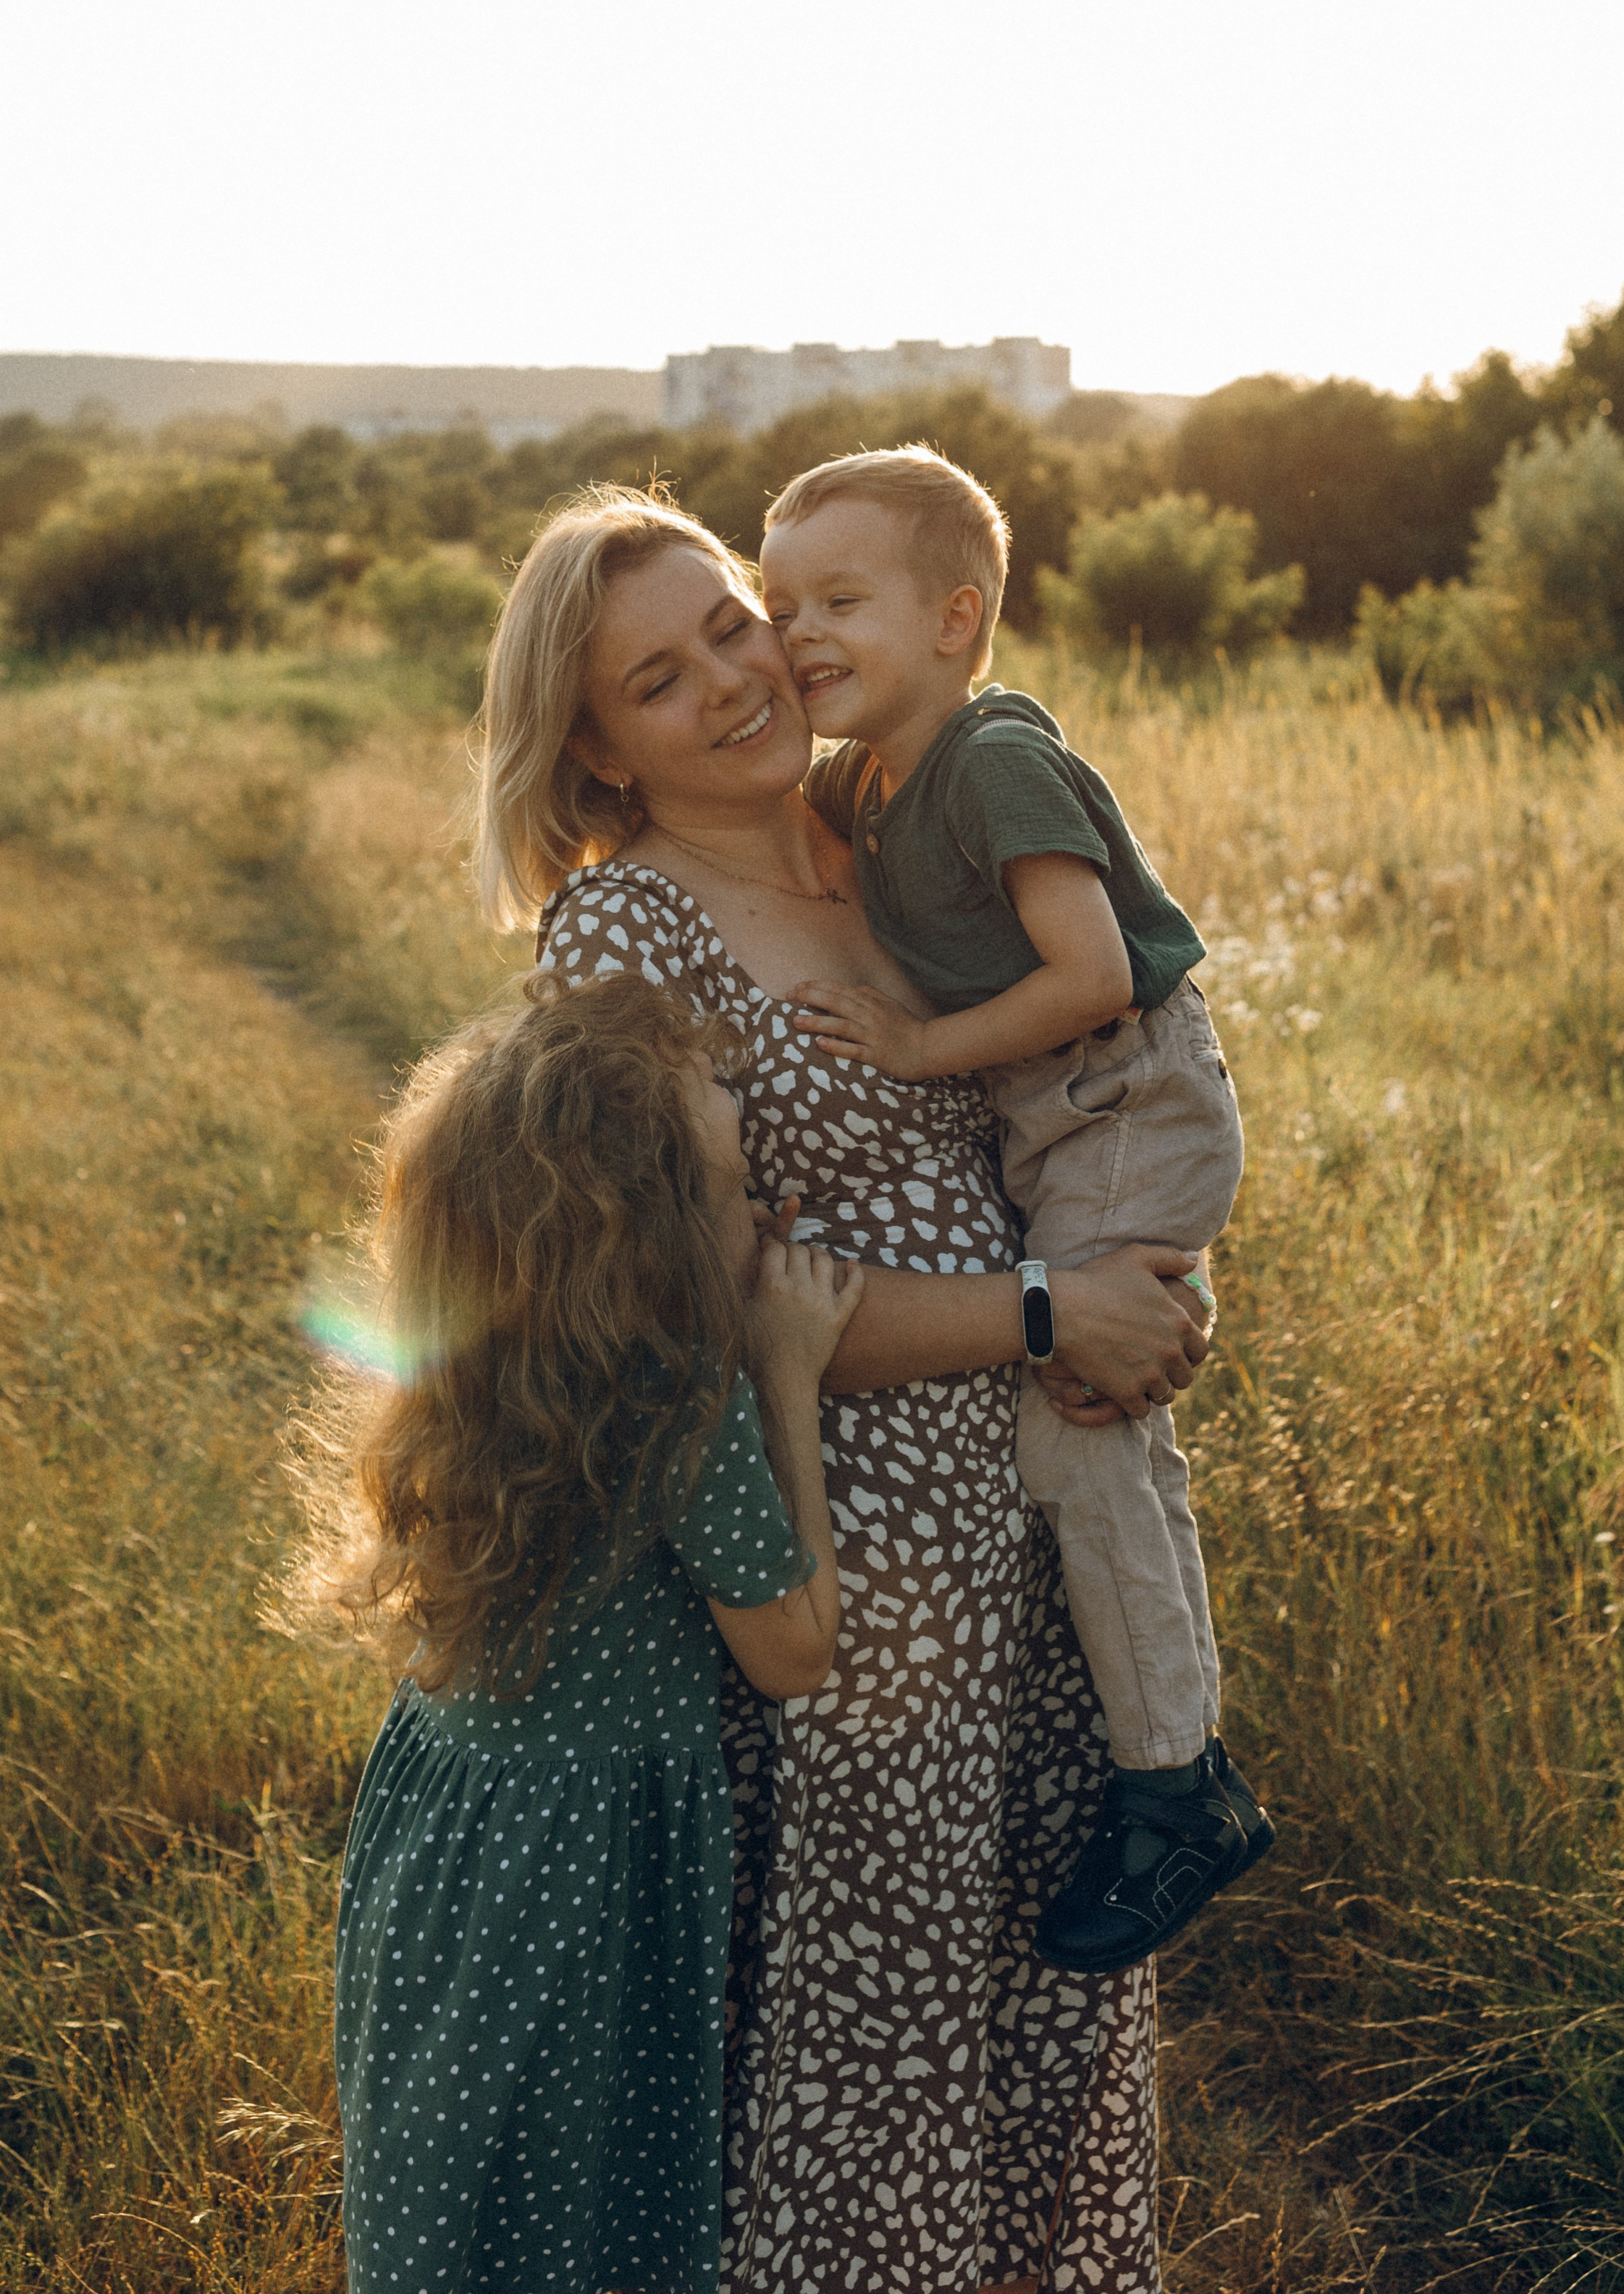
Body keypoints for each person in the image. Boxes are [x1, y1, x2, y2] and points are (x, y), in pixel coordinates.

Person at [474, 482, 1213, 2294]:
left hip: (1032, 1555)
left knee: (1036, 2034)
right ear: (592, 746)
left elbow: (1081, 1096)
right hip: (854, 1608)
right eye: (658, 679)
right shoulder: (625, 942)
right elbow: (733, 1313)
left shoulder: (901, 823)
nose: (736, 678)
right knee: (866, 2073)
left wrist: (1134, 1275)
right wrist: (1053, 1311)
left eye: (731, 621)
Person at [760, 444, 1273, 1974]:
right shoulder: (864, 779)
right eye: (776, 602)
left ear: (955, 617)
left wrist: (914, 1047)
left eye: (837, 599)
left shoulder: (989, 756)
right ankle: (1152, 1757)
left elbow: (1091, 973)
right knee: (1068, 1406)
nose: (794, 634)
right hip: (1052, 1125)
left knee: (1080, 1412)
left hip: (1120, 1090)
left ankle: (1179, 1783)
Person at [304, 971, 859, 2294]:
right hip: (581, 1866)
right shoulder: (678, 1398)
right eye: (732, 1195)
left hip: (443, 1840)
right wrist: (786, 1369)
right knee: (584, 2204)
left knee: (450, 2185)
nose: (760, 1208)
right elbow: (794, 1649)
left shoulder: (478, 1374)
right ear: (656, 1239)